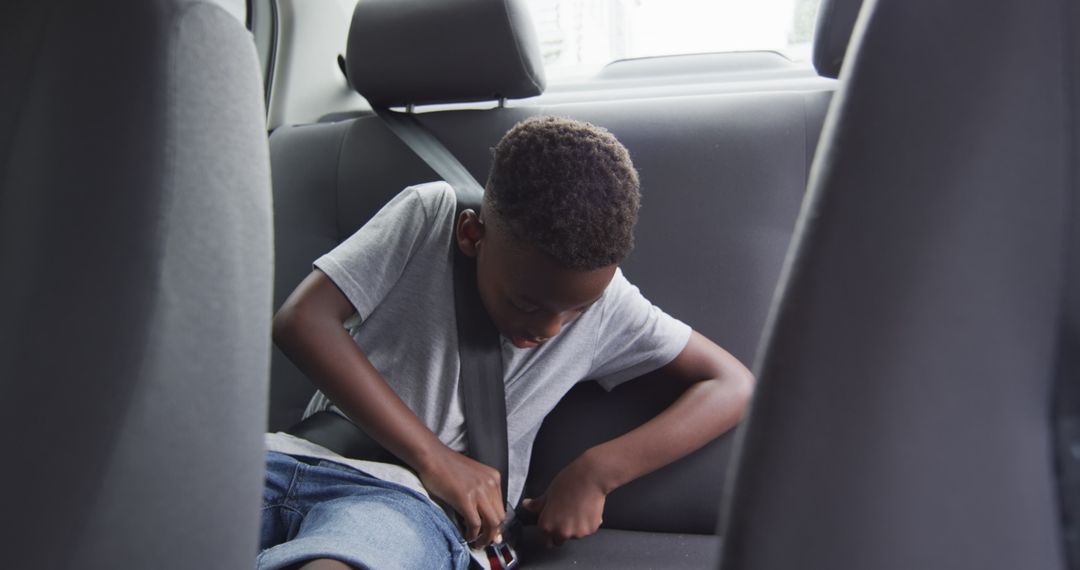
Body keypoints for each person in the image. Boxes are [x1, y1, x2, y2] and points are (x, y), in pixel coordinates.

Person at [259, 116, 754, 570]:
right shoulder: (430, 215)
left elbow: (733, 385)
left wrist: (598, 471)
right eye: (528, 304)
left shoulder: (610, 307)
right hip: (287, 457)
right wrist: (437, 458)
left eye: (575, 311)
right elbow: (303, 320)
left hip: (405, 505)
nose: (550, 331)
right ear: (473, 236)